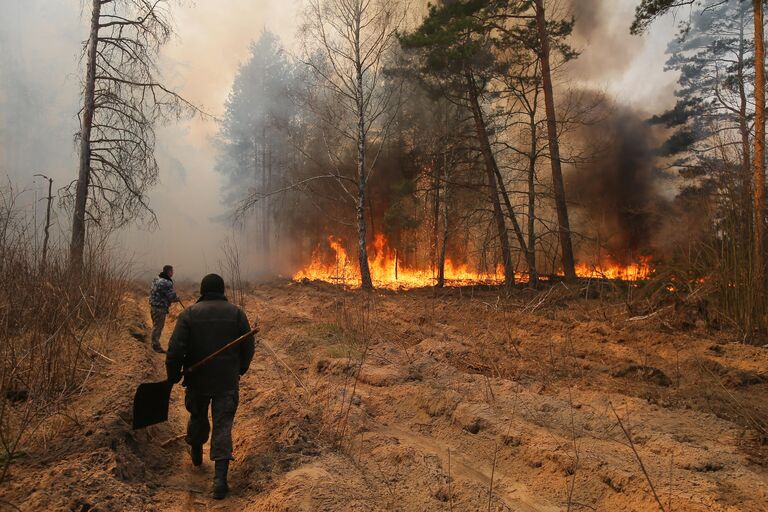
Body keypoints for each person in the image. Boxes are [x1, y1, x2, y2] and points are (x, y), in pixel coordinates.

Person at [165, 273, 255, 500]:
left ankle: (196, 451)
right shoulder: (236, 313)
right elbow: (248, 347)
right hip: (227, 381)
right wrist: (240, 369)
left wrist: (173, 375)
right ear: (222, 290)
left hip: (197, 381)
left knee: (197, 416)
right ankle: (220, 481)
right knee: (223, 427)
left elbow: (175, 350)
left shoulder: (189, 315)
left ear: (202, 291)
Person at [148, 265, 181, 353]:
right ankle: (156, 346)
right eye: (172, 271)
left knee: (156, 325)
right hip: (160, 307)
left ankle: (154, 343)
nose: (173, 273)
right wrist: (177, 298)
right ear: (169, 272)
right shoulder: (166, 282)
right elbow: (171, 297)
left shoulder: (156, 279)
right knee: (158, 327)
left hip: (153, 306)